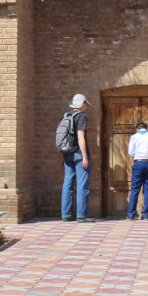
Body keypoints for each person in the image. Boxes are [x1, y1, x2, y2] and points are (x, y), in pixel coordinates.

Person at [62, 93, 94, 222]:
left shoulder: (66, 116)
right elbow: (80, 137)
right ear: (82, 104)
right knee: (82, 185)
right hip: (79, 154)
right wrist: (85, 156)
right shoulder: (81, 116)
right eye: (85, 103)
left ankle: (66, 214)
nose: (86, 106)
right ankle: (81, 215)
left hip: (67, 153)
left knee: (67, 184)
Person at [127, 121, 148, 220]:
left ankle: (131, 214)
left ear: (137, 129)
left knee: (135, 189)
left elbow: (130, 152)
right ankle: (145, 214)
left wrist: (137, 156)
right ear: (146, 128)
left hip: (139, 163)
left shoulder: (134, 137)